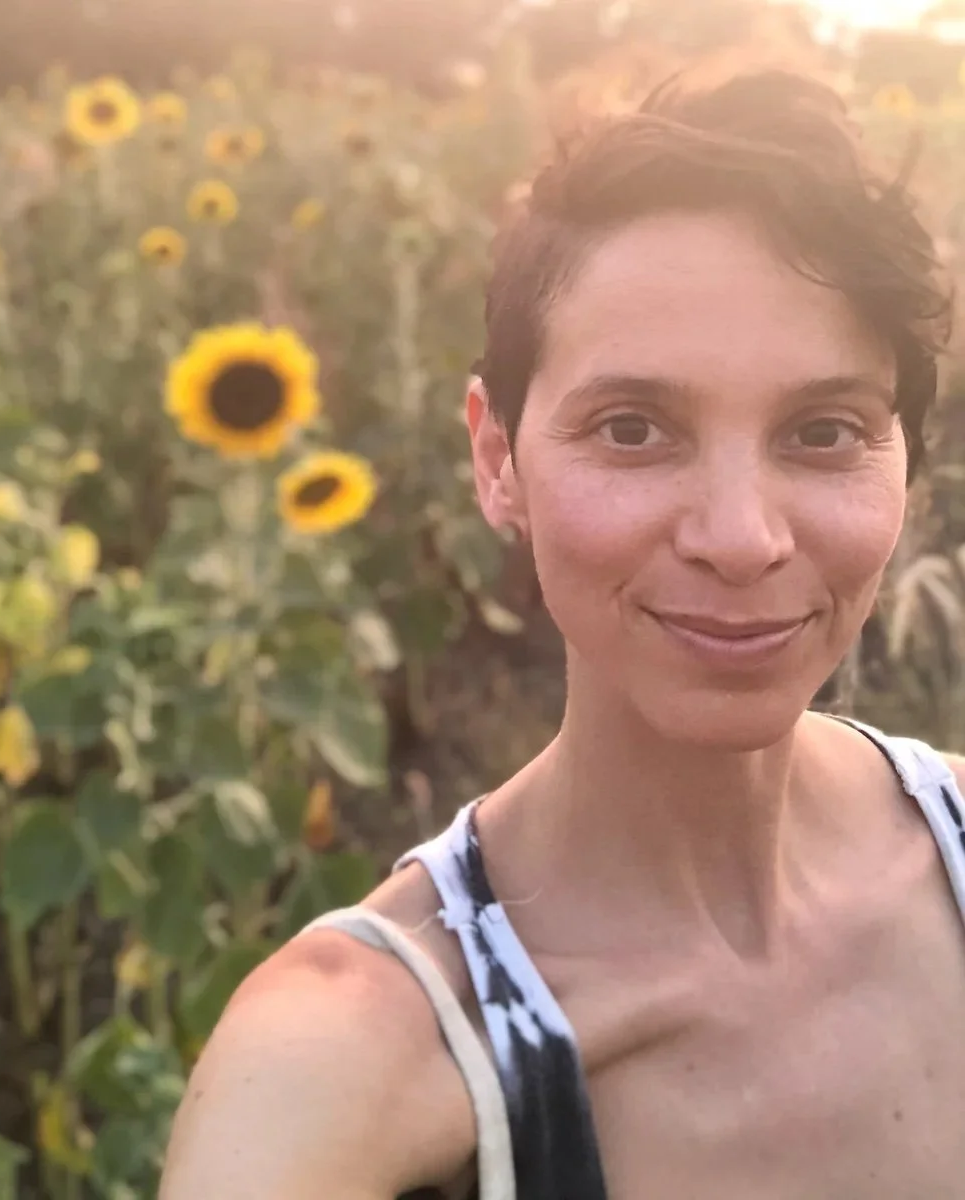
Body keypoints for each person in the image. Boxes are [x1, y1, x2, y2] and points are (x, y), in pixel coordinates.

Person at [160, 67, 965, 1199]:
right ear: (497, 460)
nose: (740, 539)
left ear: (907, 469)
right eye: (632, 428)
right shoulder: (351, 1073)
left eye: (822, 431)